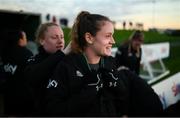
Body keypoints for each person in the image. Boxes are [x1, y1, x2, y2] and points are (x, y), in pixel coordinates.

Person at [45, 11, 163, 117]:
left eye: (112, 35)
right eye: (108, 36)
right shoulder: (66, 67)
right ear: (89, 38)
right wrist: (88, 91)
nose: (113, 41)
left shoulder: (109, 62)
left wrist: (119, 90)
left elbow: (118, 99)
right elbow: (53, 110)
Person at [24, 22, 70, 116]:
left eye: (62, 37)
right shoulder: (34, 60)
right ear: (42, 41)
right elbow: (33, 77)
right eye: (54, 37)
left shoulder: (67, 60)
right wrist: (62, 54)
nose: (60, 41)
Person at [1, 30, 33, 116]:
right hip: (23, 97)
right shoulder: (26, 53)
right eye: (25, 37)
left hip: (8, 96)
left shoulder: (4, 53)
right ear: (20, 40)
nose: (26, 40)